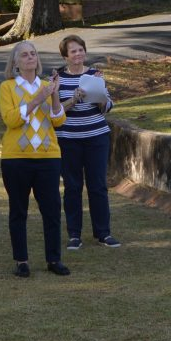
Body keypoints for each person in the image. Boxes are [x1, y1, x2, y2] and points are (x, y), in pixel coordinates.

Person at [0, 41, 69, 278]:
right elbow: (11, 120)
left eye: (33, 54)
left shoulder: (48, 86)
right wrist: (38, 98)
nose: (30, 58)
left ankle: (54, 259)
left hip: (48, 157)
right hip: (16, 158)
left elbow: (58, 120)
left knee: (51, 210)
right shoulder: (7, 87)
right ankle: (21, 260)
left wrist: (55, 95)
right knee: (18, 210)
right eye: (25, 55)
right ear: (15, 62)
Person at [55, 34, 120, 250]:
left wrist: (100, 96)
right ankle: (74, 234)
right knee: (72, 186)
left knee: (98, 186)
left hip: (96, 137)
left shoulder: (95, 75)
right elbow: (54, 112)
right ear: (65, 56)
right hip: (68, 139)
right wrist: (73, 99)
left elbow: (108, 105)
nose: (78, 54)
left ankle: (103, 233)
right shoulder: (58, 80)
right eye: (73, 51)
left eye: (80, 50)